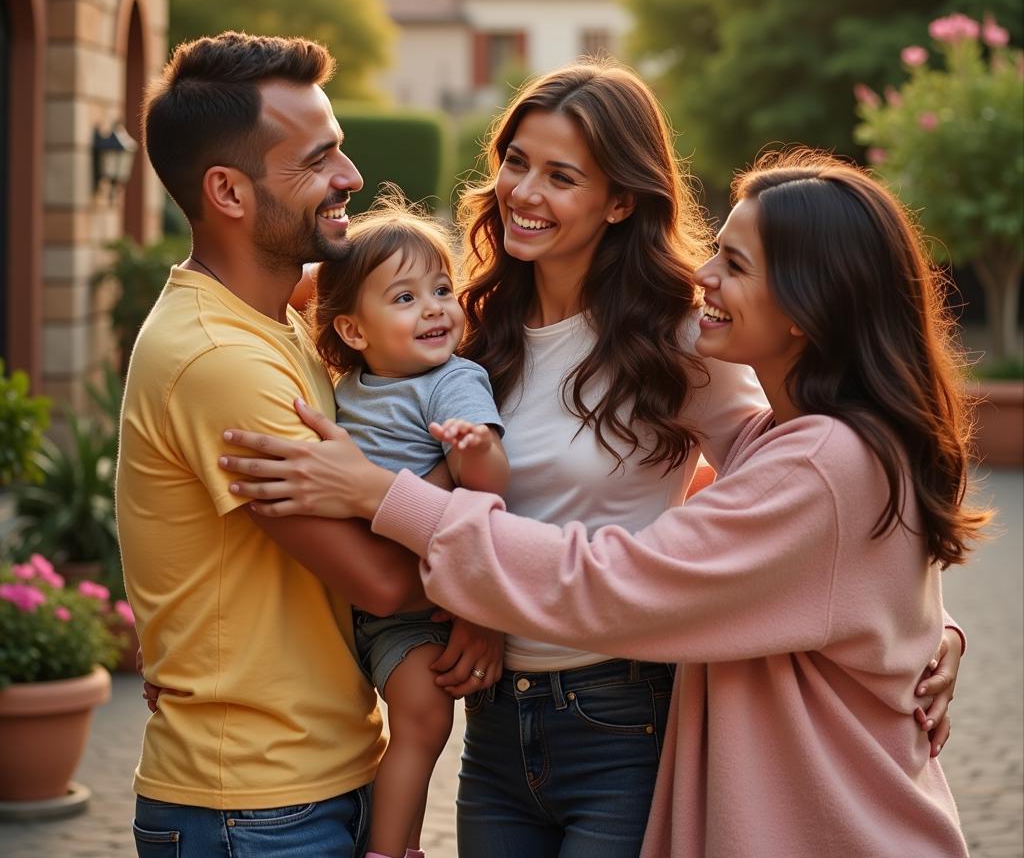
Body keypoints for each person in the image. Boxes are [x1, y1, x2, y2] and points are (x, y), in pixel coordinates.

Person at [218, 63, 964, 856]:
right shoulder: (466, 324)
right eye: (516, 162)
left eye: (561, 175)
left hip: (623, 709)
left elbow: (793, 490)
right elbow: (318, 313)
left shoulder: (679, 334)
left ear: (619, 201)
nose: (523, 192)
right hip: (497, 715)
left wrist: (925, 629)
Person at [117, 31, 461, 858]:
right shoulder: (221, 360)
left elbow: (419, 299)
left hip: (304, 788)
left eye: (339, 149)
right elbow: (382, 583)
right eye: (318, 161)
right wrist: (526, 572)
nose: (350, 177)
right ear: (228, 192)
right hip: (254, 809)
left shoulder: (276, 322)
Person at [310, 198, 509, 858]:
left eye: (443, 289)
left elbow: (491, 483)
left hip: (415, 609)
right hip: (333, 598)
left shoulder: (454, 381)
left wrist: (471, 448)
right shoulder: (340, 386)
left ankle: (391, 851)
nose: (435, 308)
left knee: (422, 721)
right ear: (355, 331)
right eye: (405, 296)